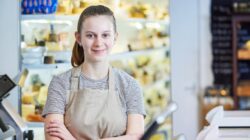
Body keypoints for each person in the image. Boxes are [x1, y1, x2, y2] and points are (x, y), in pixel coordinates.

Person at [42, 5, 146, 140]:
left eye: (105, 35)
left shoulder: (129, 85)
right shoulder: (60, 83)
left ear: (115, 37)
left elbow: (136, 137)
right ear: (78, 38)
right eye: (90, 35)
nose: (99, 42)